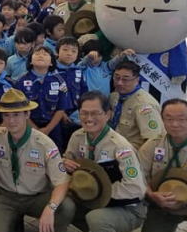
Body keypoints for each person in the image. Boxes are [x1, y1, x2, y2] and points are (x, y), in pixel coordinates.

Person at [0, 88, 75, 232]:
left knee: (66, 207)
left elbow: (62, 182)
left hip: (36, 197)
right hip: (7, 197)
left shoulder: (44, 143)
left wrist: (50, 208)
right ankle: (14, 222)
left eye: (16, 115)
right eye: (6, 115)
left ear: (27, 114)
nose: (11, 121)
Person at [62, 91, 147, 232]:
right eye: (84, 113)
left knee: (97, 219)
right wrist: (63, 164)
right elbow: (66, 162)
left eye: (95, 113)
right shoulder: (77, 136)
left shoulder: (120, 146)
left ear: (108, 114)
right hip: (90, 200)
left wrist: (99, 194)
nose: (89, 119)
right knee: (62, 205)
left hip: (126, 207)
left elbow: (135, 188)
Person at [138, 99, 187, 231]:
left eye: (182, 119)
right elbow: (138, 178)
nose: (175, 124)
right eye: (169, 119)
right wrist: (151, 195)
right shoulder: (152, 145)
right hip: (161, 205)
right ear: (162, 120)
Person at [109, 60, 165, 149]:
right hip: (113, 147)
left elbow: (153, 140)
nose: (119, 83)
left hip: (132, 153)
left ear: (137, 80)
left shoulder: (144, 105)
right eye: (116, 78)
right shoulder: (115, 96)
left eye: (125, 79)